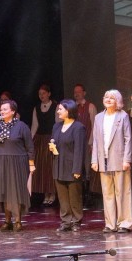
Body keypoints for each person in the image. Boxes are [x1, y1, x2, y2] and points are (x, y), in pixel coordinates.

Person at [0, 99, 34, 231]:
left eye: (5, 109)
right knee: (4, 191)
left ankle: (17, 221)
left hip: (16, 162)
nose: (2, 111)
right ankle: (7, 221)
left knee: (15, 191)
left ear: (13, 111)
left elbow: (30, 146)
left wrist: (31, 163)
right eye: (1, 109)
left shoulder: (21, 126)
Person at [92, 89, 132, 233]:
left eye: (112, 98)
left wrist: (127, 159)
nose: (108, 100)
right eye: (106, 97)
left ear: (118, 101)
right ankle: (110, 224)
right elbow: (95, 140)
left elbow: (128, 139)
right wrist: (94, 160)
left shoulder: (123, 116)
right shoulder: (98, 117)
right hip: (103, 160)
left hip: (119, 159)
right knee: (107, 193)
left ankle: (124, 223)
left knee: (122, 192)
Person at [49, 99, 86, 231]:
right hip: (59, 165)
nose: (58, 111)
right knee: (62, 197)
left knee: (74, 196)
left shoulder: (78, 127)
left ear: (69, 110)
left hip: (72, 167)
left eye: (60, 109)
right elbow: (54, 142)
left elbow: (79, 150)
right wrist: (52, 147)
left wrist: (77, 169)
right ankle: (66, 221)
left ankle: (76, 221)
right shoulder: (56, 126)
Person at [31, 84, 58, 206]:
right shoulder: (36, 108)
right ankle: (46, 194)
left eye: (44, 93)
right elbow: (34, 126)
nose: (41, 95)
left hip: (51, 139)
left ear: (49, 94)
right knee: (42, 168)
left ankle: (53, 193)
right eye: (40, 94)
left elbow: (58, 124)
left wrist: (56, 139)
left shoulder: (56, 106)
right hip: (40, 140)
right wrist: (30, 140)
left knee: (50, 167)